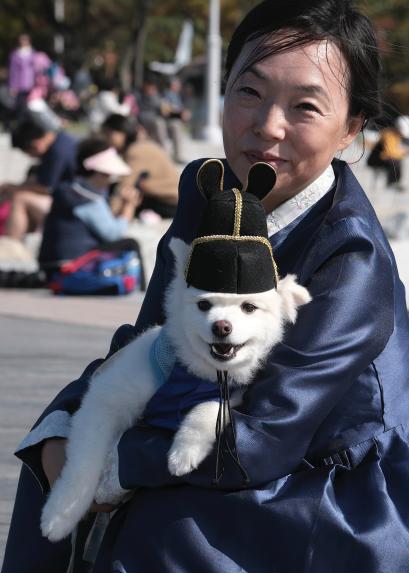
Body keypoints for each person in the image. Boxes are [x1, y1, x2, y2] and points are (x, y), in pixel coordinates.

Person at [4, 1, 409, 571]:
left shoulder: (351, 254)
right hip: (213, 423)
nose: (267, 126)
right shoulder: (209, 186)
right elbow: (152, 341)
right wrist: (68, 430)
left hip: (320, 482)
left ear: (352, 129)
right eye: (249, 92)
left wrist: (115, 467)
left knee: (162, 529)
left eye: (306, 107)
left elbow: (271, 432)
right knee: (49, 456)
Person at [38, 137, 140, 279]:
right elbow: (113, 234)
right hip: (73, 268)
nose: (111, 179)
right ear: (97, 171)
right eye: (107, 174)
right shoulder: (87, 197)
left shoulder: (70, 189)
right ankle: (143, 292)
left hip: (52, 266)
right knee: (130, 244)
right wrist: (128, 206)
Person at [0, 115, 77, 240]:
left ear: (36, 144)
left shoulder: (58, 151)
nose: (31, 157)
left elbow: (46, 188)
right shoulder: (60, 141)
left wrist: (12, 188)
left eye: (28, 152)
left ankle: (11, 246)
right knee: (17, 192)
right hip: (67, 203)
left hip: (73, 213)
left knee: (20, 198)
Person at [102, 113, 179, 219]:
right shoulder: (140, 145)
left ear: (122, 133)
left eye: (108, 134)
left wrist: (110, 217)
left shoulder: (136, 151)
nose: (106, 140)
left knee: (118, 193)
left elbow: (125, 185)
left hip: (170, 203)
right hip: (168, 199)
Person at [8, 34, 36, 112]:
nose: (23, 42)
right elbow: (13, 71)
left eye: (25, 40)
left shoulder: (34, 54)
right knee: (20, 104)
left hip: (32, 83)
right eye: (22, 40)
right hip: (19, 84)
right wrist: (13, 86)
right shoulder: (15, 54)